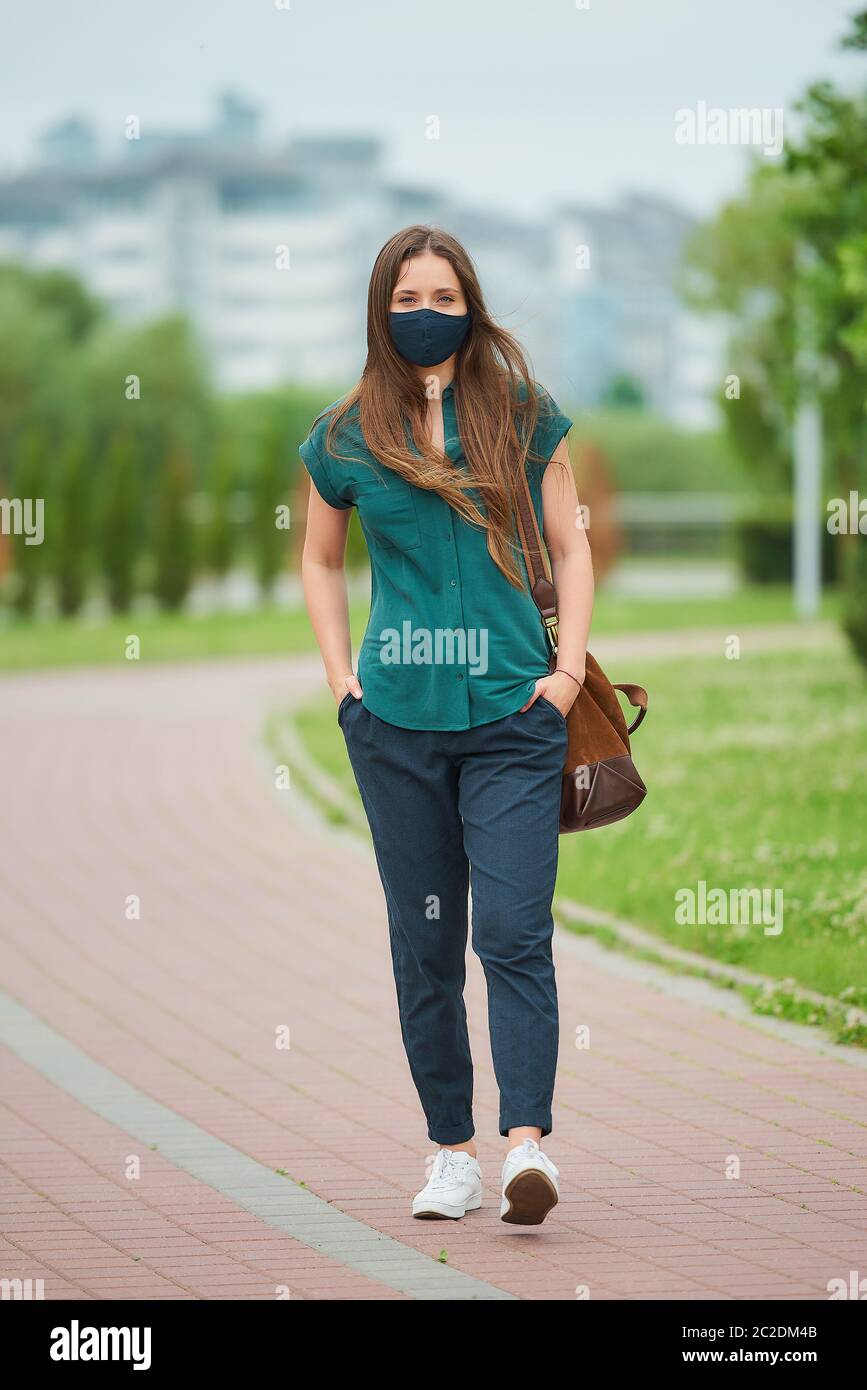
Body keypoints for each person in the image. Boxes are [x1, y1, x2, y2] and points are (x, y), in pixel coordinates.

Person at [299, 225, 594, 1225]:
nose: (426, 315)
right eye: (408, 299)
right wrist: (344, 680)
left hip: (516, 716)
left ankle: (526, 1146)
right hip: (398, 727)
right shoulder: (344, 436)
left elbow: (574, 541)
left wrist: (565, 673)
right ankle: (450, 1153)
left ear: (472, 304)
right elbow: (317, 560)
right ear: (381, 309)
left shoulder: (523, 416)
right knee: (424, 943)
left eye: (444, 297)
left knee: (513, 932)